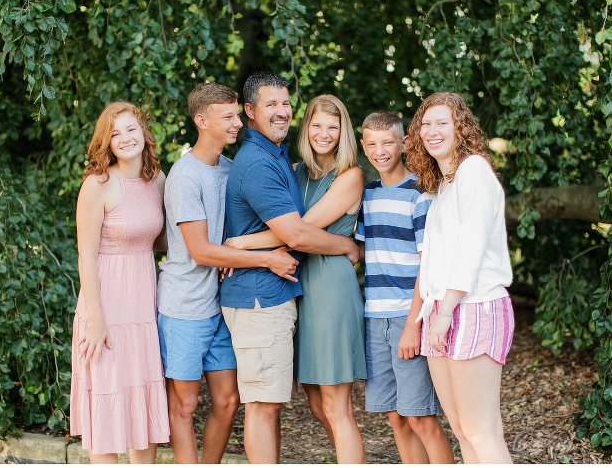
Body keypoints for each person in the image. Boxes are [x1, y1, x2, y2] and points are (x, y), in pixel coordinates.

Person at [220, 71, 360, 464]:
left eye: (285, 103)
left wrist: (242, 244)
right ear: (250, 111)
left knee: (329, 406)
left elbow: (299, 231)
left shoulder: (330, 171)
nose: (282, 111)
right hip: (280, 291)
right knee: (300, 405)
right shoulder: (278, 165)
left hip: (319, 289)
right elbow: (296, 233)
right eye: (272, 104)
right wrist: (241, 250)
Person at [156, 83, 300, 463]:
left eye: (238, 114)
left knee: (228, 400)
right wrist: (267, 259)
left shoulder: (230, 169)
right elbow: (202, 251)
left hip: (221, 303)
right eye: (229, 117)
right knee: (184, 405)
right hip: (184, 306)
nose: (239, 123)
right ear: (202, 121)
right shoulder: (185, 177)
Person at [405, 92, 514, 464]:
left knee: (481, 430)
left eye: (443, 123)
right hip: (441, 308)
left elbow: (471, 247)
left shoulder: (474, 171)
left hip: (473, 306)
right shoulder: (443, 184)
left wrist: (446, 311)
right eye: (426, 124)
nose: (432, 131)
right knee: (463, 430)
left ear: (460, 128)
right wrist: (436, 311)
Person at [70, 101, 170, 463]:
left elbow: (162, 240)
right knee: (108, 416)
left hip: (142, 306)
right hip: (105, 308)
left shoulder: (157, 180)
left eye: (131, 129)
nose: (126, 138)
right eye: (115, 134)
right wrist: (96, 321)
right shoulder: (97, 185)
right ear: (107, 143)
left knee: (142, 407)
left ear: (143, 131)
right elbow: (86, 256)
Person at [355, 110, 454, 464]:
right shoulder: (367, 194)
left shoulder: (419, 195)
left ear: (405, 143)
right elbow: (361, 250)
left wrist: (413, 325)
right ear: (363, 146)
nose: (379, 151)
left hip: (407, 316)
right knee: (395, 416)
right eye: (371, 144)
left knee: (419, 417)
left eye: (387, 143)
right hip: (374, 316)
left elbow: (428, 266)